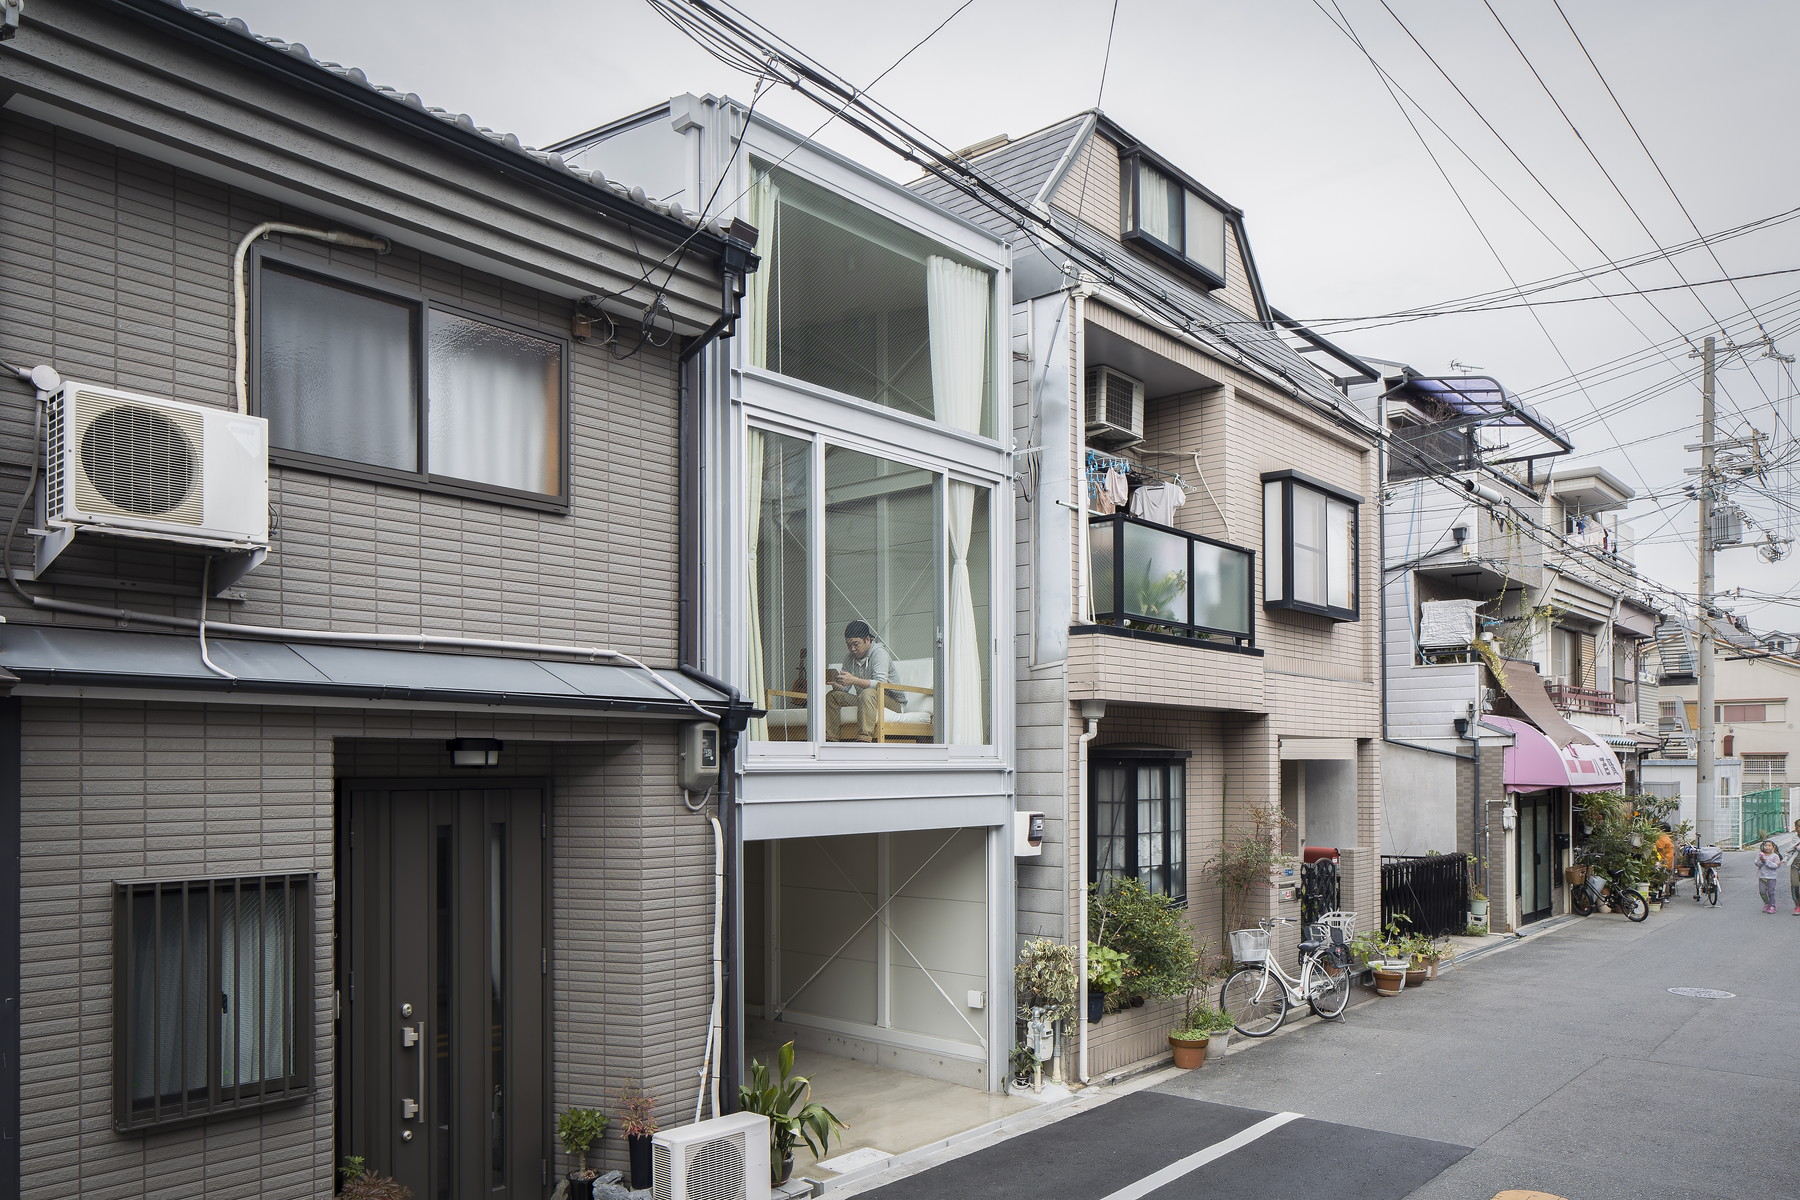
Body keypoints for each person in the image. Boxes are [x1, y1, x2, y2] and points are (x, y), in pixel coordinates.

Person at [823, 620, 904, 742]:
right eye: (848, 645)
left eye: (856, 644)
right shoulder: (849, 658)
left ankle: (864, 739)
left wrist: (854, 680)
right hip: (864, 699)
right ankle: (831, 738)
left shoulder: (879, 653)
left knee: (867, 693)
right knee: (833, 696)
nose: (852, 649)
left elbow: (880, 684)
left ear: (867, 640)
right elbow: (845, 689)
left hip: (890, 701)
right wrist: (836, 685)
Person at [1754, 840, 1784, 913]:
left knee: (1771, 892)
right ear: (1763, 847)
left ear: (1773, 847)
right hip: (1762, 877)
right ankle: (1767, 903)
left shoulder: (1775, 856)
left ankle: (1772, 906)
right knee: (1762, 892)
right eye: (1766, 845)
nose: (1767, 847)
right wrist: (1761, 861)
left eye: (1769, 845)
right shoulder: (1760, 855)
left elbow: (1775, 866)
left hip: (1771, 877)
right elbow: (1757, 864)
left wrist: (1766, 861)